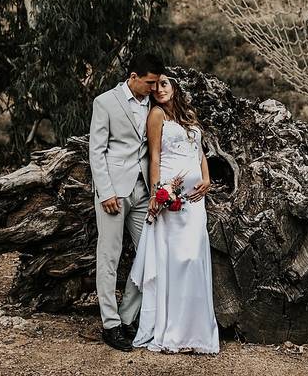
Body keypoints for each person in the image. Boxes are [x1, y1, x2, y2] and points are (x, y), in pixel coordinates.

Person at [128, 74, 219, 354]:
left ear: (175, 87)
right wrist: (158, 192)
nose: (159, 90)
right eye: (155, 87)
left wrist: (206, 179)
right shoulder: (156, 115)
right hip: (172, 198)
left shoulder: (188, 115)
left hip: (196, 200)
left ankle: (197, 330)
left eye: (164, 84)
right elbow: (154, 156)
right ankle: (174, 330)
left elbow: (199, 152)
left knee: (195, 257)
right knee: (178, 261)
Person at [88, 53, 164, 352]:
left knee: (149, 254)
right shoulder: (104, 102)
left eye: (157, 83)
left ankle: (128, 317)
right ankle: (110, 324)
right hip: (113, 193)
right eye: (149, 82)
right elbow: (97, 150)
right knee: (109, 257)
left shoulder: (154, 105)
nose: (154, 88)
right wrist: (105, 191)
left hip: (143, 191)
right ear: (133, 77)